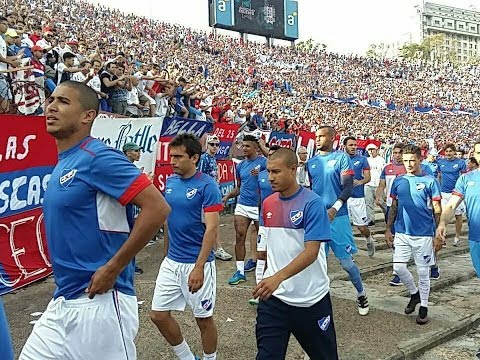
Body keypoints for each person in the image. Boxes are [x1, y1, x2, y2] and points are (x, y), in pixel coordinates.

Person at [19, 81, 171, 360]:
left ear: (88, 115)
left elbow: (157, 208)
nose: (51, 106)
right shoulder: (65, 161)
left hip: (101, 303)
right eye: (50, 99)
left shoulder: (98, 157)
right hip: (63, 301)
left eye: (64, 102)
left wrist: (114, 267)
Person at [254, 148, 338, 360]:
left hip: (311, 300)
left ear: (294, 170)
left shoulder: (312, 203)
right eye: (268, 172)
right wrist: (264, 276)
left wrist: (277, 277)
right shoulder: (268, 203)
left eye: (276, 172)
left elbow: (311, 252)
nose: (270, 177)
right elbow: (266, 245)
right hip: (274, 300)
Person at [150, 134, 222, 360]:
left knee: (203, 319)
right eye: (171, 156)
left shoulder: (207, 186)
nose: (172, 161)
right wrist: (165, 253)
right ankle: (187, 357)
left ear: (194, 158)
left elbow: (211, 229)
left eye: (179, 157)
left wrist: (199, 267)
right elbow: (168, 220)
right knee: (158, 315)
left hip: (196, 262)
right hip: (172, 261)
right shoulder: (170, 183)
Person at [307, 126, 369, 316]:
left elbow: (348, 187)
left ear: (332, 138)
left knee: (346, 264)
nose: (317, 139)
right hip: (318, 219)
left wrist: (335, 208)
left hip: (338, 218)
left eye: (321, 136)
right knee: (316, 262)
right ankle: (318, 302)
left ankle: (361, 293)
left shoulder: (342, 158)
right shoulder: (311, 162)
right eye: (316, 136)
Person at [385, 145, 442, 325]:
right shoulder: (398, 181)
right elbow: (393, 206)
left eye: (412, 160)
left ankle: (423, 307)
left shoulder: (430, 181)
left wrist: (438, 232)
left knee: (423, 272)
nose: (409, 164)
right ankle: (414, 294)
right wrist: (388, 228)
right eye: (406, 160)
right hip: (402, 232)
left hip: (424, 234)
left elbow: (437, 209)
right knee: (399, 268)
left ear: (420, 160)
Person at [223, 135, 267, 285]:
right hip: (242, 205)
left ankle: (262, 275)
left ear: (255, 148)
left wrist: (262, 147)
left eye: (248, 146)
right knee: (239, 237)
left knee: (263, 241)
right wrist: (227, 196)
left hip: (259, 206)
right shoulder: (240, 166)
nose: (244, 148)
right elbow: (239, 187)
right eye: (243, 146)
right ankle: (240, 271)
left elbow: (276, 162)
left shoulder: (264, 162)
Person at [437, 141, 480, 278]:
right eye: (479, 152)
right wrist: (443, 223)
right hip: (476, 238)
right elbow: (451, 205)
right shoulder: (466, 179)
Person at [249, 145, 281, 306]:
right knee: (261, 254)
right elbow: (259, 197)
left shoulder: (284, 176)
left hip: (281, 223)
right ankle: (259, 291)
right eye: (270, 155)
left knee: (276, 256)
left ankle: (276, 289)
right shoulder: (260, 175)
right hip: (264, 221)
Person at [198, 134, 233, 261]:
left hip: (212, 193)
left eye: (217, 144)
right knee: (212, 223)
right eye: (212, 144)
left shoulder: (212, 158)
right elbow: (200, 176)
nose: (215, 147)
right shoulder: (204, 158)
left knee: (212, 223)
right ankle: (217, 248)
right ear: (207, 145)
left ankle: (214, 248)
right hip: (206, 196)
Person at [376, 143, 407, 286]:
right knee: (395, 239)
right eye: (395, 152)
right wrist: (378, 195)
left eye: (400, 152)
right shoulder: (387, 168)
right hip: (391, 207)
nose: (397, 155)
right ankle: (397, 272)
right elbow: (382, 184)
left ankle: (431, 265)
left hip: (408, 207)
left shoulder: (409, 167)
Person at [343, 137, 375, 257]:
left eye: (355, 145)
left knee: (361, 227)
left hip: (357, 197)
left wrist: (360, 182)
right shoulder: (340, 158)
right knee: (344, 226)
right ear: (344, 146)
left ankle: (369, 240)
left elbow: (368, 177)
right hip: (343, 197)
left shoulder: (362, 160)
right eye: (351, 145)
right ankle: (349, 253)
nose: (354, 147)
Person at [122, 141, 147, 275]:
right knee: (128, 237)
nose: (139, 153)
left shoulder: (129, 167)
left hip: (128, 207)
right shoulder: (125, 167)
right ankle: (127, 266)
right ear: (128, 153)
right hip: (123, 207)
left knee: (130, 235)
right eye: (136, 151)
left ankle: (129, 264)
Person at [437, 143, 467, 247]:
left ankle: (457, 237)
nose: (448, 153)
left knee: (458, 216)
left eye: (450, 151)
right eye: (447, 151)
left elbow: (464, 177)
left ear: (454, 152)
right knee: (443, 216)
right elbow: (439, 176)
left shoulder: (461, 162)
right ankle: (442, 237)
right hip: (444, 193)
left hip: (456, 193)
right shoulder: (440, 162)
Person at [365, 143, 386, 226]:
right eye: (369, 150)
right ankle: (370, 219)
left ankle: (388, 216)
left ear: (376, 150)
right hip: (368, 184)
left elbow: (383, 172)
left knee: (381, 202)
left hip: (378, 184)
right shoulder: (366, 160)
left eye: (372, 150)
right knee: (368, 203)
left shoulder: (381, 160)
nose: (371, 151)